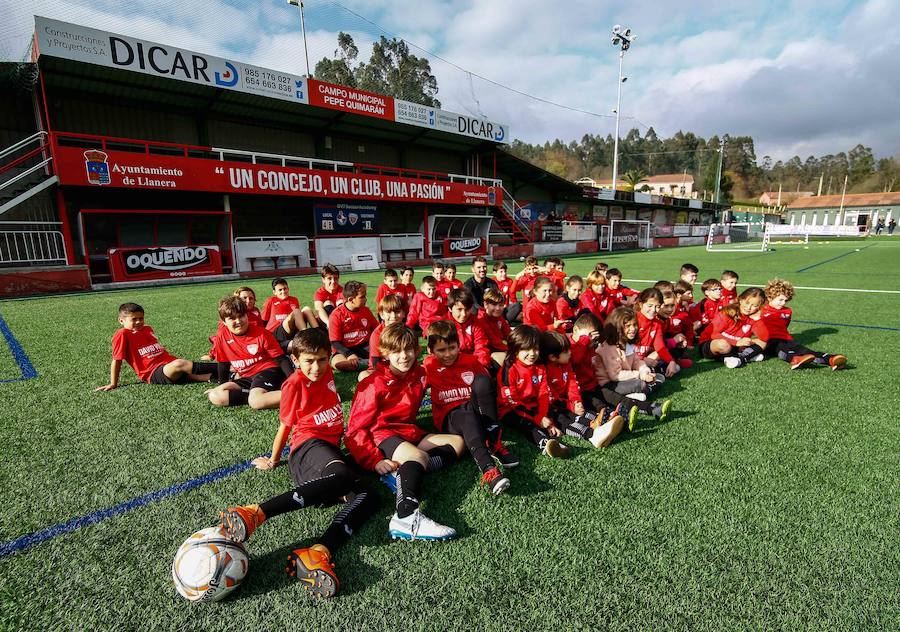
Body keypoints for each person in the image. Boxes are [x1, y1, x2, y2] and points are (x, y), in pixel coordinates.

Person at [218, 329, 378, 598]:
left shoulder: (326, 371)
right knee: (343, 477)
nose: (316, 367)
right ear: (295, 360)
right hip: (307, 449)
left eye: (322, 360)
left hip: (328, 450)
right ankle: (256, 513)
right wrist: (273, 459)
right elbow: (285, 425)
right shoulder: (293, 384)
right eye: (309, 361)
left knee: (369, 496)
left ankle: (318, 552)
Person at [344, 323, 464, 541]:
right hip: (380, 434)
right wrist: (373, 461)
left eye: (408, 349)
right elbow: (354, 431)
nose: (404, 356)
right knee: (417, 456)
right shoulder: (372, 384)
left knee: (457, 443)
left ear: (416, 350)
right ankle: (406, 516)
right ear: (385, 354)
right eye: (396, 351)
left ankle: (405, 472)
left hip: (408, 432)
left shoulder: (419, 373)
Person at [424, 320, 513, 494]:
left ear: (459, 345)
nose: (448, 354)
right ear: (430, 351)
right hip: (450, 417)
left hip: (472, 408)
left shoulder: (470, 361)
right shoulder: (428, 366)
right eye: (441, 350)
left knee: (482, 380)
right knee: (466, 415)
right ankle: (488, 469)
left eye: (452, 347)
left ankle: (494, 441)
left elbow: (485, 389)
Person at [96, 302, 214, 391]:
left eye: (141, 318)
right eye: (134, 319)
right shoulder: (122, 334)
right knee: (180, 364)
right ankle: (224, 367)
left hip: (168, 364)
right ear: (121, 320)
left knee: (205, 377)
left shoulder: (147, 329)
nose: (138, 322)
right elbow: (117, 360)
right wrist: (113, 383)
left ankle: (227, 374)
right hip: (152, 373)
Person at [497, 325, 570, 458]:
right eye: (526, 349)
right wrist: (538, 418)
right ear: (515, 349)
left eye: (535, 349)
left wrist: (545, 418)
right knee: (527, 424)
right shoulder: (509, 370)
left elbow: (543, 395)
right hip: (511, 410)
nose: (532, 353)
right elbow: (513, 402)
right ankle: (546, 444)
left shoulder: (540, 366)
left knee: (554, 412)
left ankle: (571, 431)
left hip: (532, 406)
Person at [206, 296, 293, 409]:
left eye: (241, 316)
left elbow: (281, 359)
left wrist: (293, 381)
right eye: (232, 318)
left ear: (247, 315)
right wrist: (221, 385)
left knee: (256, 402)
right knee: (215, 395)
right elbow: (223, 363)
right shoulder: (222, 336)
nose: (238, 321)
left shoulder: (262, 333)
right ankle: (265, 395)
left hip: (268, 372)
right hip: (246, 377)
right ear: (224, 322)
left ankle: (299, 394)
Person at [594, 307, 672, 431]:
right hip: (610, 384)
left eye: (634, 324)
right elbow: (616, 375)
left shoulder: (627, 343)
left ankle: (635, 394)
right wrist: (640, 376)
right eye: (628, 326)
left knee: (659, 377)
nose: (633, 329)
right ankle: (638, 394)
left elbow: (637, 361)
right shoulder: (609, 347)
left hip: (624, 379)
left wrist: (644, 371)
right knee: (639, 383)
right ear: (617, 328)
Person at [541, 331, 624, 448]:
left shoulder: (566, 364)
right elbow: (552, 399)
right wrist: (571, 405)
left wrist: (576, 401)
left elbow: (572, 384)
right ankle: (592, 435)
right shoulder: (544, 371)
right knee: (566, 419)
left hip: (565, 402)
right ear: (553, 357)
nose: (570, 353)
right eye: (566, 352)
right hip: (553, 409)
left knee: (582, 411)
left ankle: (604, 422)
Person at [760, 278, 847, 370]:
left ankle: (830, 359)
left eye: (786, 300)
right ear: (770, 297)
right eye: (780, 300)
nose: (783, 303)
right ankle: (795, 359)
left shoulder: (787, 311)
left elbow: (784, 326)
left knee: (804, 350)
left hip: (786, 339)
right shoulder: (761, 309)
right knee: (782, 349)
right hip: (768, 342)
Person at [699, 287, 769, 369]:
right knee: (724, 345)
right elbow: (714, 334)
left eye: (755, 306)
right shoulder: (728, 312)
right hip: (711, 343)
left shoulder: (753, 317)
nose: (749, 307)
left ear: (759, 307)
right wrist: (736, 342)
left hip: (736, 345)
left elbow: (764, 338)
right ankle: (747, 356)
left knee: (762, 342)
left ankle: (740, 359)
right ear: (740, 300)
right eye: (747, 303)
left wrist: (758, 320)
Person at [633, 288, 684, 377]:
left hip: (644, 358)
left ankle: (651, 372)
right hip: (628, 359)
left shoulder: (657, 324)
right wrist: (642, 359)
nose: (653, 310)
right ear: (641, 304)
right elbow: (622, 349)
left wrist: (671, 362)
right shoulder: (632, 320)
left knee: (675, 367)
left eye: (657, 306)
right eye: (649, 306)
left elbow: (660, 347)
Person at [328, 281, 377, 372]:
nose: (365, 299)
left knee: (386, 351)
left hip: (365, 346)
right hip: (344, 349)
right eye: (362, 297)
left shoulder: (366, 311)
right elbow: (335, 342)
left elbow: (377, 330)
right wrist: (349, 354)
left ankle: (365, 363)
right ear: (351, 299)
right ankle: (372, 363)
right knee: (338, 364)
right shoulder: (336, 315)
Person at [262, 278, 318, 352]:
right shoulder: (271, 300)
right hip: (276, 332)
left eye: (285, 288)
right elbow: (264, 320)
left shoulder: (294, 300)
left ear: (288, 289)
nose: (283, 291)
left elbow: (298, 318)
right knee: (296, 311)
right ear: (274, 292)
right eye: (280, 290)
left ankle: (319, 333)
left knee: (306, 309)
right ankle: (305, 336)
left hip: (290, 330)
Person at [568, 312, 604, 410]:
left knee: (614, 397)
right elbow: (575, 359)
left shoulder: (590, 346)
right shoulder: (569, 346)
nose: (591, 338)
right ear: (575, 330)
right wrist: (585, 340)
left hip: (593, 385)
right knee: (599, 405)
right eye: (589, 335)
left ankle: (647, 407)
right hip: (581, 391)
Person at [446, 288, 491, 366]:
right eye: (459, 309)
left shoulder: (476, 323)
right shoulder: (444, 325)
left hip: (473, 362)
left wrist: (479, 365)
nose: (464, 314)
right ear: (450, 308)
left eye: (467, 309)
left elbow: (481, 346)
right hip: (451, 364)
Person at [366, 293, 407, 374]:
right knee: (363, 375)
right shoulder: (377, 334)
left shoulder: (407, 332)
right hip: (380, 370)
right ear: (381, 315)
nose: (393, 316)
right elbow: (375, 363)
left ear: (404, 313)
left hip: (401, 367)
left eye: (397, 311)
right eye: (388, 312)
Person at [477, 288, 511, 366]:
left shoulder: (499, 318)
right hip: (487, 353)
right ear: (485, 304)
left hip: (499, 347)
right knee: (505, 358)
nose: (498, 308)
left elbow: (509, 334)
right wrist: (512, 350)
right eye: (494, 305)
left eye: (501, 305)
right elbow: (494, 342)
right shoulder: (481, 320)